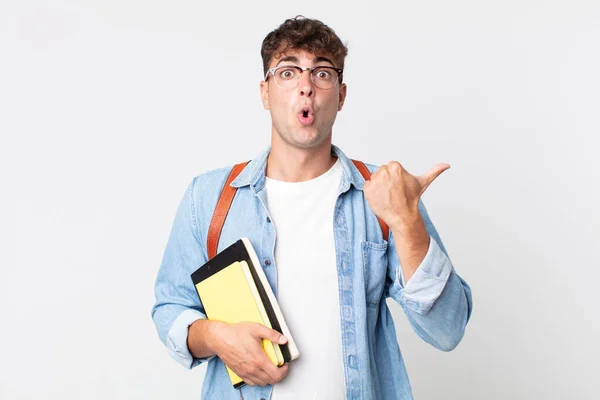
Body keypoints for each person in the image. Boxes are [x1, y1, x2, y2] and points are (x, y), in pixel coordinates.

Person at [151, 15, 473, 400]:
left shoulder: (384, 194)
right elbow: (170, 307)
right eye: (288, 73)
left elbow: (447, 329)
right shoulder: (209, 197)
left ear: (340, 94)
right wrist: (215, 336)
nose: (305, 87)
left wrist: (407, 223)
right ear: (265, 92)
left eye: (322, 73)